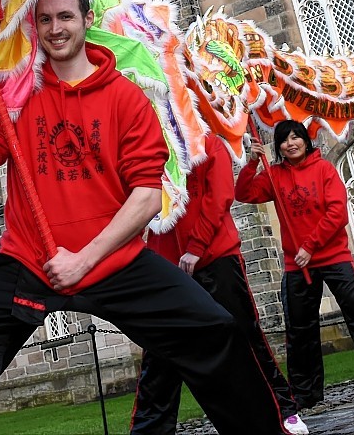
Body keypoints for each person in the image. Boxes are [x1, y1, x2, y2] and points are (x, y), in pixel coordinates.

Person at [0, 0, 284, 435]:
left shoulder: (126, 97)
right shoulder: (19, 93)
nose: (56, 28)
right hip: (31, 260)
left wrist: (84, 259)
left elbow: (147, 198)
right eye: (46, 19)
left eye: (66, 17)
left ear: (87, 21)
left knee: (217, 329)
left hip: (113, 259)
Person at [131, 132, 308, 435]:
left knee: (244, 334)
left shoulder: (208, 143)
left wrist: (196, 247)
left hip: (215, 256)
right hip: (167, 264)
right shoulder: (144, 150)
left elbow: (219, 197)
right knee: (160, 353)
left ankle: (281, 408)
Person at [235, 119, 354, 406]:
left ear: (305, 140)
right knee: (299, 330)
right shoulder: (273, 176)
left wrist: (310, 245)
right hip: (296, 265)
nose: (291, 144)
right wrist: (252, 163)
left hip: (333, 256)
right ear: (278, 147)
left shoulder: (324, 168)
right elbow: (244, 193)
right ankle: (305, 393)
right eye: (284, 140)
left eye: (295, 137)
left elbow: (337, 212)